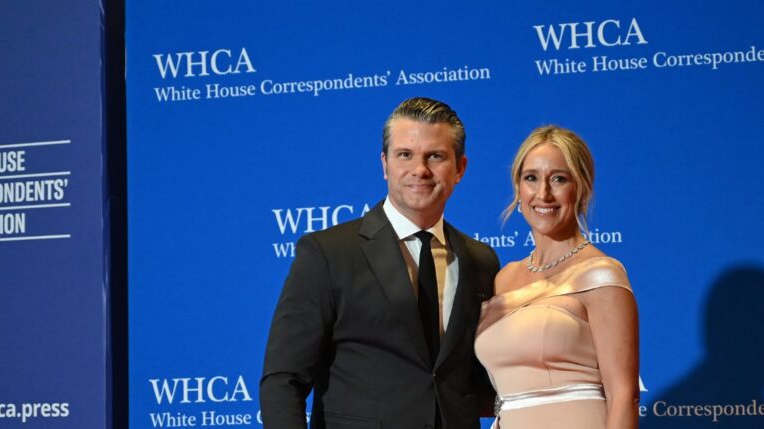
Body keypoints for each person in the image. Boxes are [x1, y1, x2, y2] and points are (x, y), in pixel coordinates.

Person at [260, 97, 500, 429]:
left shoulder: (481, 261)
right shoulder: (327, 254)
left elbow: (482, 377)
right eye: (405, 155)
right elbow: (283, 380)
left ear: (460, 168)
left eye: (436, 156)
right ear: (385, 164)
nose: (420, 170)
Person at [475, 125, 639, 429]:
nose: (543, 194)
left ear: (582, 188)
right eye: (531, 178)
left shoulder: (601, 274)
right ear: (518, 189)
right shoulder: (504, 277)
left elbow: (623, 395)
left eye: (559, 179)